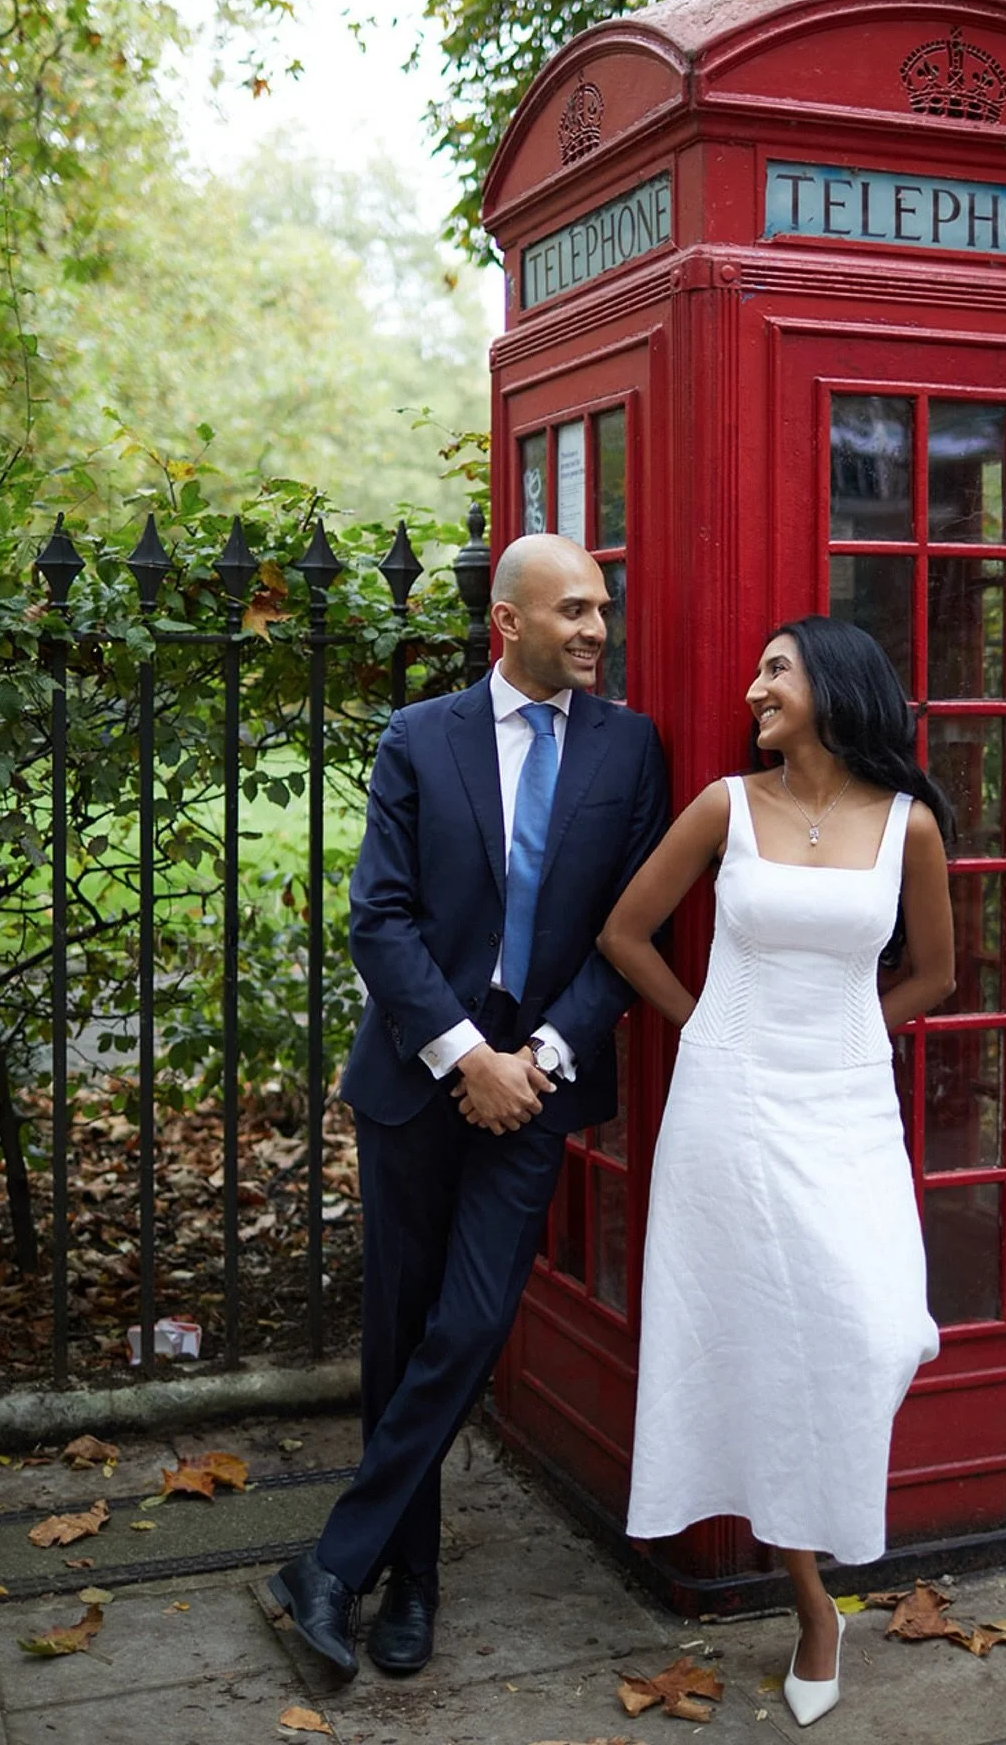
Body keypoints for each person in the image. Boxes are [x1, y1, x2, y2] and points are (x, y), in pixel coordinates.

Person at [269, 533, 667, 1681]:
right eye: (575, 610)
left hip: (539, 1079)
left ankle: (330, 1563)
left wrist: (537, 1054)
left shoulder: (631, 747)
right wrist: (464, 1057)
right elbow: (379, 918)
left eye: (602, 609)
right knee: (401, 1334)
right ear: (508, 622)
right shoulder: (420, 737)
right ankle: (411, 1579)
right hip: (418, 1075)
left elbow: (629, 933)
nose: (596, 630)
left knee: (473, 1321)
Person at [598, 614, 954, 1729]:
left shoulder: (907, 825)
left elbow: (935, 974)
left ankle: (821, 1552)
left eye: (777, 670)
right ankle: (812, 1607)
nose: (754, 688)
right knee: (749, 1342)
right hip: (730, 1107)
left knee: (878, 1328)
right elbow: (625, 934)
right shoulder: (726, 806)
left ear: (835, 687)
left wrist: (850, 1036)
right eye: (757, 670)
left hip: (845, 1108)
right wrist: (711, 1029)